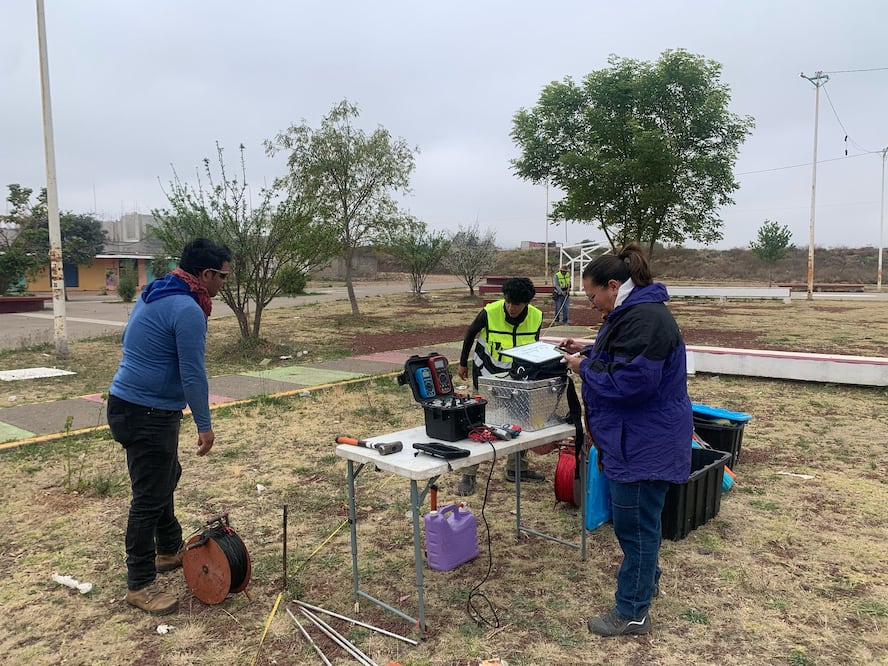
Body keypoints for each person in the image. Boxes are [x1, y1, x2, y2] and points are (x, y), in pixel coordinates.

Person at [559, 242, 692, 637]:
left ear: (613, 285)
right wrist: (587, 349)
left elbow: (633, 382)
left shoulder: (645, 319)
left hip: (643, 441)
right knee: (641, 523)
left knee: (635, 527)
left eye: (593, 295)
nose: (592, 304)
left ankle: (632, 611)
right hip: (635, 436)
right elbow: (621, 356)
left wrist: (584, 367)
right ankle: (645, 584)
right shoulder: (633, 313)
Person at [107, 238, 232, 615]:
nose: (224, 283)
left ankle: (167, 550)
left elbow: (127, 339)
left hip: (129, 405)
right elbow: (193, 374)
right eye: (223, 276)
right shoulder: (188, 309)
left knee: (164, 478)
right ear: (206, 274)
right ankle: (140, 584)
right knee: (148, 498)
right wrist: (205, 425)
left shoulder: (156, 291)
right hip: (147, 412)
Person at [455, 277, 546, 496]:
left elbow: (533, 347)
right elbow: (470, 334)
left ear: (527, 302)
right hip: (487, 375)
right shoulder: (490, 311)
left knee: (521, 422)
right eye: (509, 302)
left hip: (517, 378)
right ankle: (468, 474)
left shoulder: (536, 316)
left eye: (517, 303)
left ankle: (516, 469)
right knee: (480, 425)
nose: (512, 307)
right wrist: (462, 363)